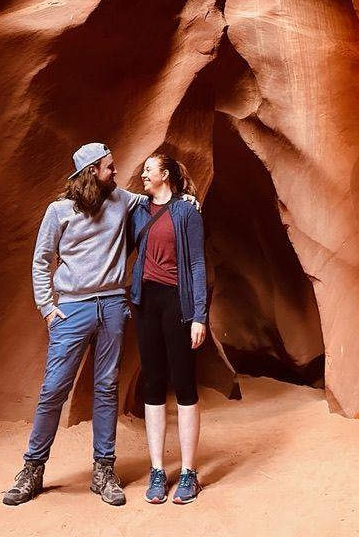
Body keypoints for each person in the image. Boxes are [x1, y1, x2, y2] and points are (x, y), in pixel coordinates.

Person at [2, 142, 199, 508]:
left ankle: (104, 470)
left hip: (111, 307)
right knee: (54, 390)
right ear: (93, 171)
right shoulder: (58, 211)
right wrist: (47, 307)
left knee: (106, 388)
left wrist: (185, 199)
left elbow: (159, 203)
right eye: (110, 167)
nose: (116, 172)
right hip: (72, 309)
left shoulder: (121, 199)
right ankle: (32, 468)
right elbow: (41, 260)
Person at [128, 153, 208, 505]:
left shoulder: (187, 211)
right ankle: (158, 470)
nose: (143, 174)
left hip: (178, 302)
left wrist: (199, 316)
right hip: (146, 302)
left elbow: (197, 264)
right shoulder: (139, 210)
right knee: (153, 382)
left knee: (184, 382)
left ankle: (189, 472)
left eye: (149, 170)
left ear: (166, 174)